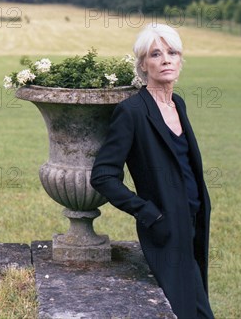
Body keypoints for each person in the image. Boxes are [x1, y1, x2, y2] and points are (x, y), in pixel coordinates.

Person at [90, 23, 214, 319]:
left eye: (172, 52)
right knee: (191, 311)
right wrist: (149, 213)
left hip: (194, 221)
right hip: (165, 227)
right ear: (143, 65)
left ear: (181, 60)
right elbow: (103, 175)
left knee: (194, 305)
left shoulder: (178, 104)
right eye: (156, 54)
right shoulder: (132, 112)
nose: (166, 59)